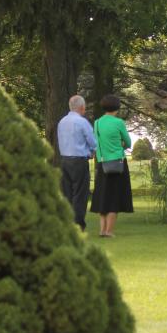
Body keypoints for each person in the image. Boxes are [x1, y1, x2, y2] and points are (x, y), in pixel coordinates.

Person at [90, 94, 133, 237]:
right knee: (115, 196)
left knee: (103, 196)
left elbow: (96, 142)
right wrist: (120, 144)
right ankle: (109, 231)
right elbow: (128, 142)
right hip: (118, 163)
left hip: (103, 163)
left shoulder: (97, 123)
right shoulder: (118, 122)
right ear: (117, 107)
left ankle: (102, 230)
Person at [57, 95, 97, 231]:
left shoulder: (62, 122)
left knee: (67, 193)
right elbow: (92, 141)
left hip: (65, 160)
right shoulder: (82, 122)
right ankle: (78, 225)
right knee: (80, 194)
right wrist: (92, 151)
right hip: (79, 161)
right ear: (82, 107)